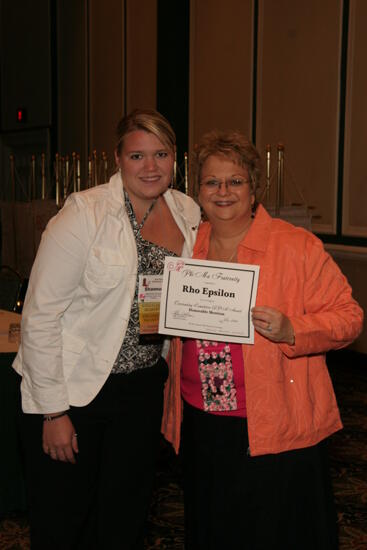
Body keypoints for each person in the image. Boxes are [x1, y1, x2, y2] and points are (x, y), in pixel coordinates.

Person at [161, 130, 364, 550]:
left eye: (235, 181)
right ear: (197, 190)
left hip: (273, 422)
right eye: (211, 182)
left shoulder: (296, 247)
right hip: (202, 421)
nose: (223, 192)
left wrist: (294, 330)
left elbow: (349, 317)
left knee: (273, 532)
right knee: (215, 528)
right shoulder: (186, 246)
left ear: (254, 189)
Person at [13, 109, 201, 549]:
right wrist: (53, 412)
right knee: (65, 521)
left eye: (161, 154)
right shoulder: (84, 214)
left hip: (141, 389)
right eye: (137, 155)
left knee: (124, 518)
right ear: (117, 158)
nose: (150, 167)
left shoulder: (187, 210)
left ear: (176, 158)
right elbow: (39, 317)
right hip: (73, 390)